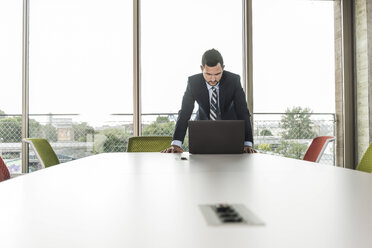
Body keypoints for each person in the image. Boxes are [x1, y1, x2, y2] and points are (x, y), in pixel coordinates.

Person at [162, 48, 255, 153]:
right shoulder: (193, 83)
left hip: (229, 132)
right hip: (203, 132)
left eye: (217, 74)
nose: (213, 79)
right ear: (202, 68)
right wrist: (176, 144)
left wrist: (247, 143)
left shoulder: (233, 81)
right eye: (208, 74)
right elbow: (185, 112)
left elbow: (243, 111)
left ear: (223, 68)